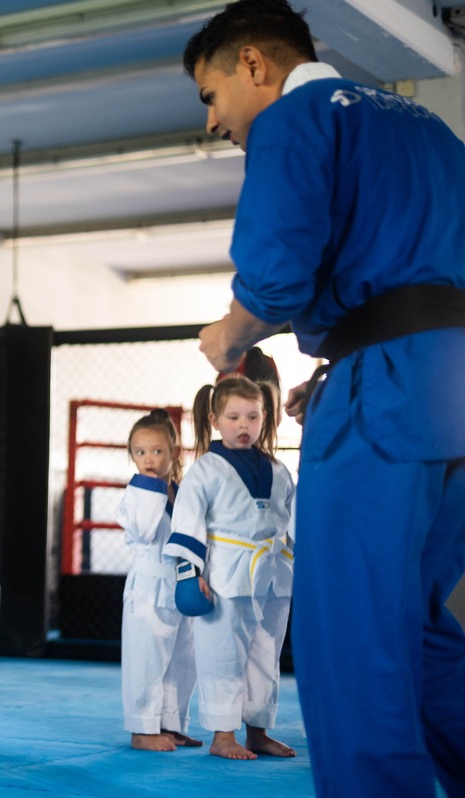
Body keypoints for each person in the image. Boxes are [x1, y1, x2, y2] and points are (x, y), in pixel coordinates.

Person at [183, 1, 465, 793]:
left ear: (253, 65)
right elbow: (419, 283)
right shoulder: (432, 133)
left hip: (388, 400)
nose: (214, 121)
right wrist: (344, 361)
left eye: (210, 95)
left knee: (351, 631)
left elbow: (276, 276)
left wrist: (230, 337)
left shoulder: (298, 119)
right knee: (415, 624)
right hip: (448, 386)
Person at [163, 375, 294, 760]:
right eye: (234, 416)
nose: (243, 425)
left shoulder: (279, 469)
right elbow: (187, 521)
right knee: (222, 652)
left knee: (266, 653)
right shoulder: (206, 468)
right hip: (224, 573)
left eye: (252, 417)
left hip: (273, 572)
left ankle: (258, 730)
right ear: (216, 419)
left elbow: (295, 521)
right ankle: (223, 734)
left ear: (264, 418)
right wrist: (189, 573)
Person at [116, 408, 201, 752]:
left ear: (174, 454)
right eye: (140, 452)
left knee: (183, 658)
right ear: (131, 455)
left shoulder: (181, 494)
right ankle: (141, 728)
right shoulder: (138, 493)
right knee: (147, 658)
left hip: (179, 586)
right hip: (148, 588)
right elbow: (146, 529)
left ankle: (172, 723)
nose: (148, 459)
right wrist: (152, 487)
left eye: (157, 451)